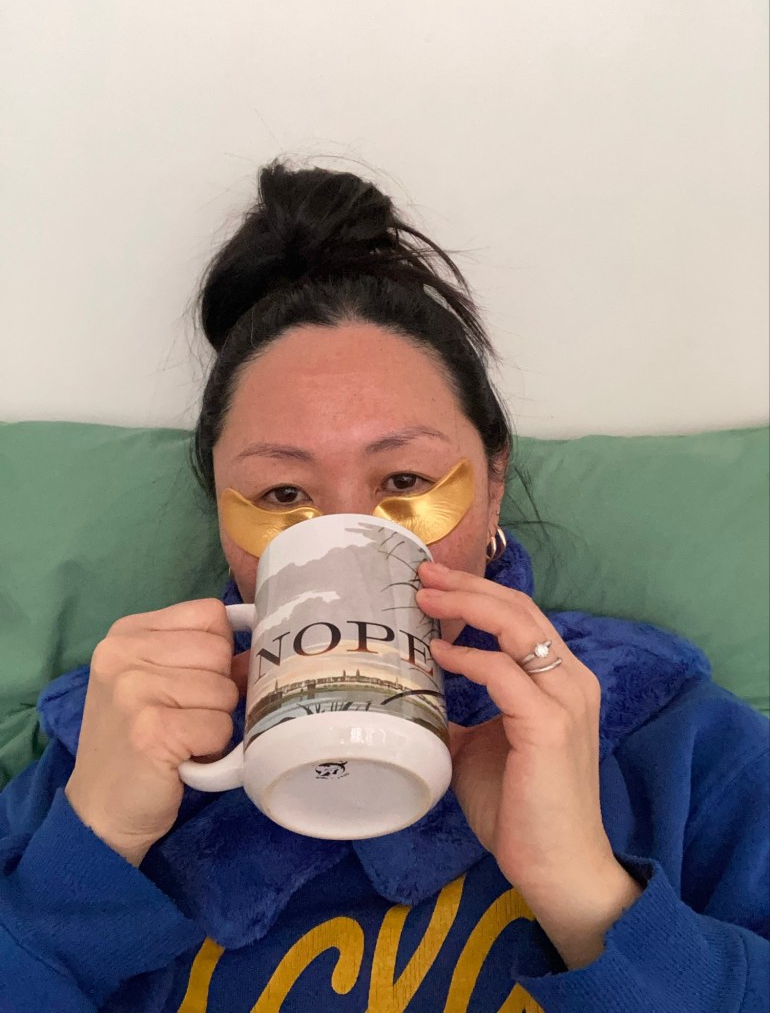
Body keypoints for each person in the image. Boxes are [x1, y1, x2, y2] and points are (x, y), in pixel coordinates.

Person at [0, 160, 767, 1013]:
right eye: (281, 494)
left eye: (405, 480)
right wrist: (90, 851)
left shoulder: (678, 739)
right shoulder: (111, 736)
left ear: (495, 480)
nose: (353, 546)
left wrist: (584, 891)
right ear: (217, 508)